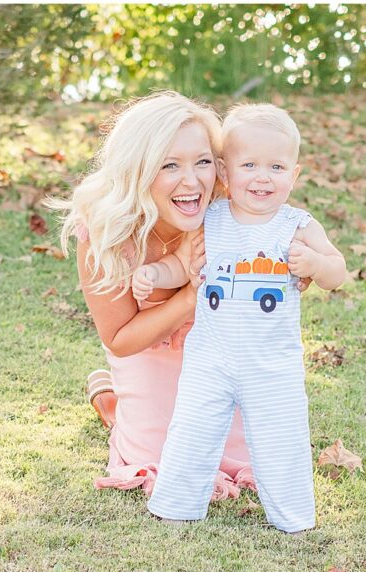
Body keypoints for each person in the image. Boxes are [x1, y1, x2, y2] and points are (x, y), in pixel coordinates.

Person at [141, 104, 346, 532]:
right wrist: (152, 274)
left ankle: (293, 517)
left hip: (272, 365)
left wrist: (313, 264)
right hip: (209, 359)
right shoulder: (210, 221)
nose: (262, 177)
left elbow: (338, 271)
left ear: (295, 174)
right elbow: (182, 266)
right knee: (192, 429)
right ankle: (177, 503)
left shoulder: (297, 226)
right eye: (249, 164)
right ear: (223, 170)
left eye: (276, 166)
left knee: (281, 437)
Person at [52, 91, 258, 501]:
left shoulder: (228, 209)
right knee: (162, 456)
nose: (192, 181)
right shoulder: (107, 232)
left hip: (217, 356)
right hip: (144, 354)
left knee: (238, 455)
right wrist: (186, 298)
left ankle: (115, 404)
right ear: (139, 171)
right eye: (170, 165)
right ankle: (116, 408)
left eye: (202, 162)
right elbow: (120, 339)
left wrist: (296, 272)